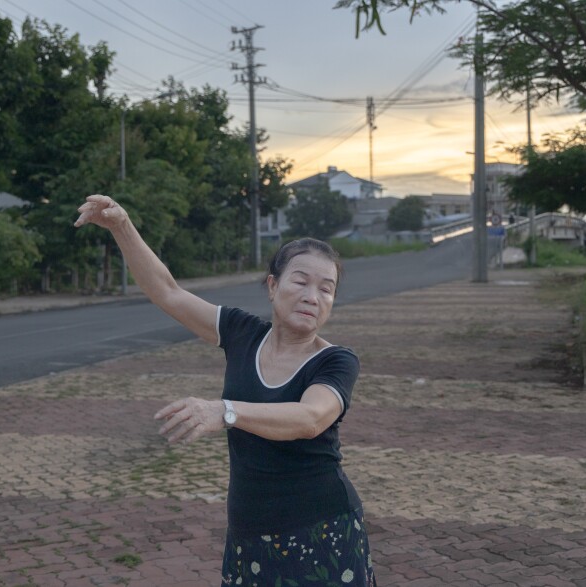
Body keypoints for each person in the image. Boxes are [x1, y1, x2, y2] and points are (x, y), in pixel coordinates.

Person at [75, 195, 376, 587]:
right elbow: (168, 292)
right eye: (300, 281)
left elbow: (309, 418)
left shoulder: (336, 361)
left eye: (326, 289)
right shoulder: (242, 333)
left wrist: (226, 411)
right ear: (273, 285)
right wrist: (122, 227)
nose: (312, 296)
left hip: (320, 529)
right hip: (248, 532)